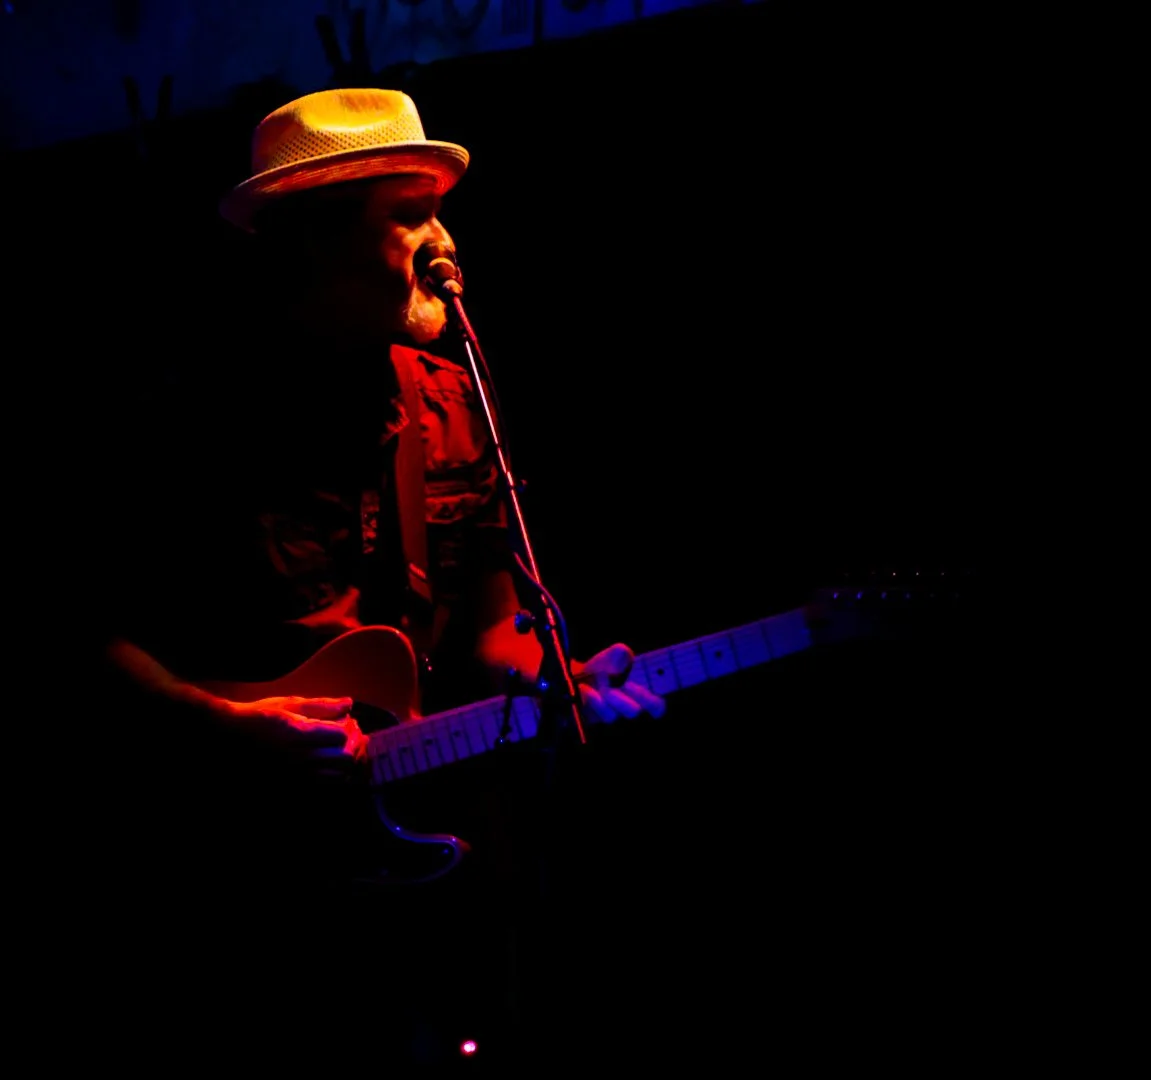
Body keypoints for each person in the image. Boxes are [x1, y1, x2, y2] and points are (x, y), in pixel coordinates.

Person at [65, 87, 665, 1066]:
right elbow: (82, 634)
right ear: (310, 239)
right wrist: (215, 727)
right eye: (408, 215)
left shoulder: (444, 396)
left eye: (440, 211)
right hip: (223, 873)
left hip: (399, 855)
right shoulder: (184, 421)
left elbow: (485, 635)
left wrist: (554, 675)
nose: (442, 242)